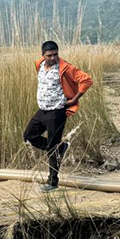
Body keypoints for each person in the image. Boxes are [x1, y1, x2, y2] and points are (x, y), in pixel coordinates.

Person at [23, 40, 92, 192]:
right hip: (42, 110)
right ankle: (61, 148)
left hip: (57, 112)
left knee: (52, 147)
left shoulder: (65, 67)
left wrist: (74, 100)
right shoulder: (39, 65)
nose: (53, 58)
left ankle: (53, 182)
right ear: (43, 55)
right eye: (49, 55)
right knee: (29, 136)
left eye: (55, 54)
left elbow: (86, 80)